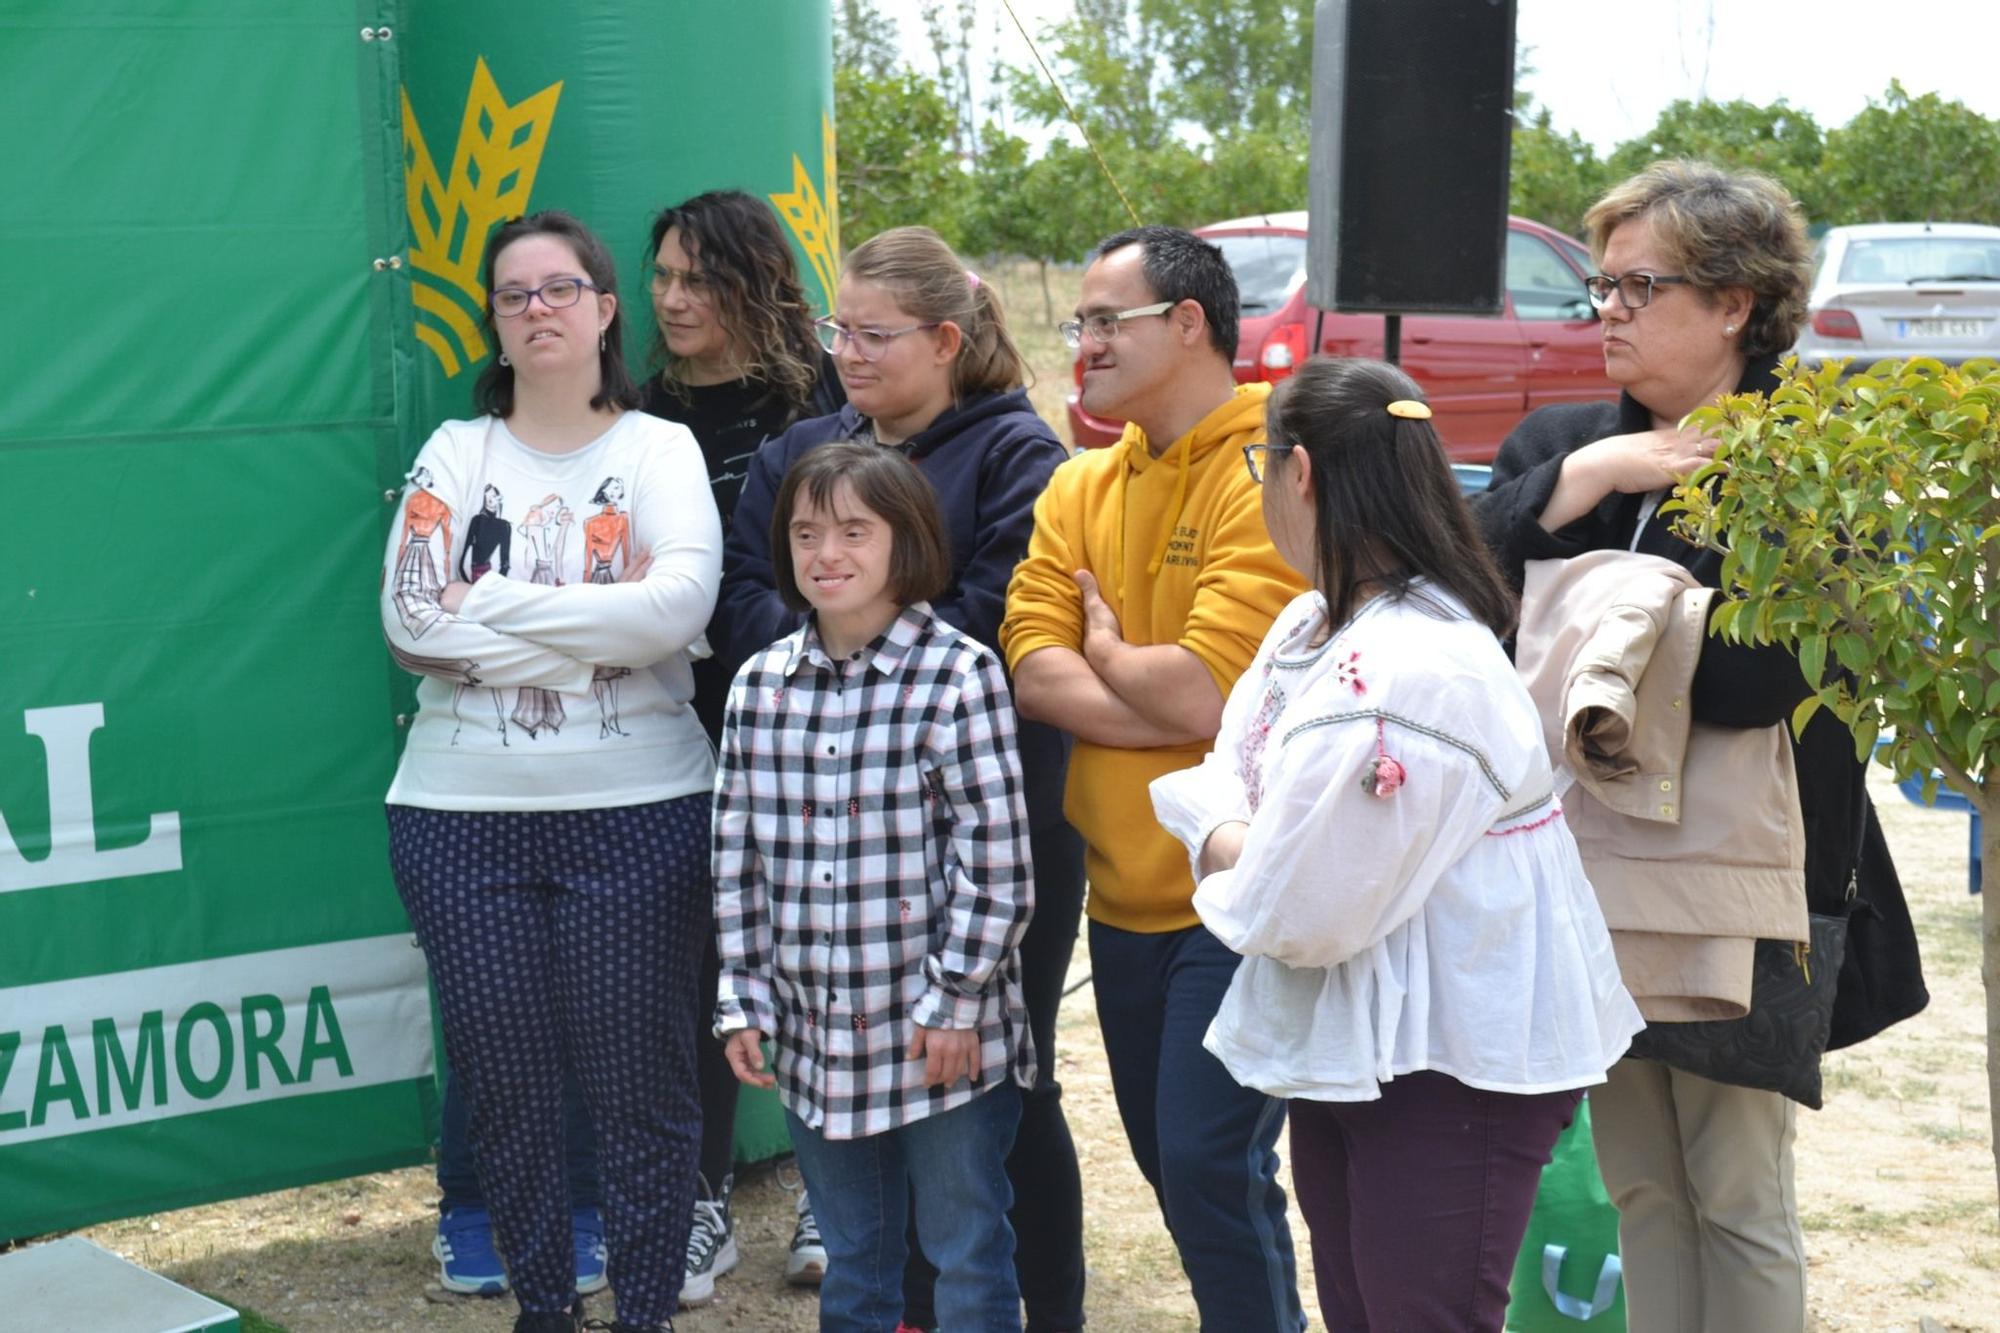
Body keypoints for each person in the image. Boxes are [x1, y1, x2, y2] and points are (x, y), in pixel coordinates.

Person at [1472, 159, 1929, 1333]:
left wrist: (1587, 588)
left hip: (1746, 880)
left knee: (1734, 1193)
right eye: (1599, 287)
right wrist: (1588, 478)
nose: (1607, 312)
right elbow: (1455, 587)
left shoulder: (1813, 458)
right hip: (1584, 873)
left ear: (1733, 302)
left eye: (1638, 286)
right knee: (1639, 1186)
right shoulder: (1565, 441)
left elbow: (1748, 681)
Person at [1149, 357, 1644, 1330]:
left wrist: (1211, 828)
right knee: (1364, 1312)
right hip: (1363, 1035)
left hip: (1452, 1055)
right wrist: (1243, 824)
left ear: (1297, 477)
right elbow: (1237, 766)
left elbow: (1297, 908)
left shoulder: (1411, 666)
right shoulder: (1315, 622)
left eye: (1261, 461)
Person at [716, 224, 1083, 1333]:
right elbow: (741, 591)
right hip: (823, 865)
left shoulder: (1019, 454)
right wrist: (819, 651)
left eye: (871, 334)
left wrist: (865, 654)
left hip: (976, 839)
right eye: (837, 330)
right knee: (867, 1220)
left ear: (943, 336)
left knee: (991, 1126)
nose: (846, 352)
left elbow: (997, 615)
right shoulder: (805, 448)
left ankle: (1043, 1308)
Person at [379, 209, 720, 1333]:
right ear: (493, 318)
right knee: (509, 1090)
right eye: (514, 293)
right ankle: (542, 1305)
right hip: (458, 819)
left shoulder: (655, 450)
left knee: (640, 1089)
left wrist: (499, 612)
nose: (538, 309)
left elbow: (678, 607)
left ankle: (645, 1311)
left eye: (560, 288)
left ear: (604, 307)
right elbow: (409, 621)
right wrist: (598, 639)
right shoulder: (453, 450)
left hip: (637, 814)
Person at [1000, 224, 1308, 1330]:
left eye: (1101, 320)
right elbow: (1032, 673)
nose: (1079, 343)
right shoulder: (1078, 482)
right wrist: (1153, 692)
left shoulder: (1276, 462)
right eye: (1078, 322)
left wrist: (1116, 661)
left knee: (1206, 1161)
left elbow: (1209, 698)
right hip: (1121, 899)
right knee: (1174, 1170)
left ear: (1187, 324)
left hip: (1236, 893)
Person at [713, 443, 1036, 1333]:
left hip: (943, 1034)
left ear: (908, 541)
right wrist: (743, 1000)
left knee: (966, 1248)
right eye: (807, 532)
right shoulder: (757, 689)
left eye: (855, 530)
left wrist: (955, 1000)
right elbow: (736, 864)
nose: (827, 552)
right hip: (818, 1037)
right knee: (853, 1261)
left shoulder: (958, 675)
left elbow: (998, 862)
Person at [640, 187, 846, 1303]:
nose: (673, 299)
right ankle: (698, 1200)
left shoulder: (816, 402)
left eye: (696, 279)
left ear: (751, 282)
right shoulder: (639, 412)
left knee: (820, 956)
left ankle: (830, 1185)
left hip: (814, 726)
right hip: (683, 730)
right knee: (702, 971)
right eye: (662, 277)